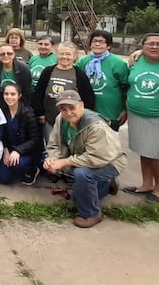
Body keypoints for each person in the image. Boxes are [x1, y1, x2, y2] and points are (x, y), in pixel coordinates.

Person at [44, 90, 126, 228]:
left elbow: (96, 158)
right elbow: (53, 144)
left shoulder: (95, 126)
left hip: (109, 161)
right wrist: (52, 159)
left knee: (82, 174)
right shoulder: (61, 118)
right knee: (78, 198)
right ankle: (106, 185)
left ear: (81, 105)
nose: (68, 112)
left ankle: (92, 214)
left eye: (72, 108)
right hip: (84, 158)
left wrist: (63, 162)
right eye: (63, 109)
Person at [121, 33, 159, 203]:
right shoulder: (136, 61)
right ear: (142, 46)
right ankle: (146, 184)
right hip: (136, 114)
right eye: (150, 43)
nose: (154, 47)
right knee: (144, 151)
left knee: (158, 154)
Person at [32, 42, 95, 142]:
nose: (64, 57)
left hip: (72, 119)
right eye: (61, 54)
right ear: (57, 55)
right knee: (51, 146)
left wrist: (82, 118)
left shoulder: (79, 74)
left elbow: (88, 98)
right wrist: (40, 113)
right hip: (50, 118)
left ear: (74, 56)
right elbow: (39, 93)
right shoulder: (48, 71)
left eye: (68, 54)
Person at [76, 30, 130, 131]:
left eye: (101, 41)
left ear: (108, 46)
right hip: (86, 111)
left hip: (110, 112)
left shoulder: (118, 63)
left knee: (109, 143)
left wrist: (124, 109)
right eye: (94, 41)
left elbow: (126, 88)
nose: (97, 44)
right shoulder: (83, 61)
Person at [0, 83, 43, 185]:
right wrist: (5, 150)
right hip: (9, 149)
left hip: (26, 152)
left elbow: (35, 139)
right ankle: (12, 167)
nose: (9, 97)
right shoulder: (2, 111)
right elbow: (1, 135)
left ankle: (32, 169)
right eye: (6, 94)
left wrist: (18, 151)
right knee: (4, 179)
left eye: (13, 94)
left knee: (15, 165)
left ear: (19, 95)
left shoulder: (28, 113)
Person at [0, 43, 32, 108]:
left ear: (14, 55)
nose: (6, 56)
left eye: (9, 53)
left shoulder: (23, 69)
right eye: (2, 54)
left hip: (19, 104)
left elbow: (26, 92)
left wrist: (21, 109)